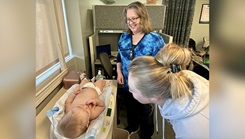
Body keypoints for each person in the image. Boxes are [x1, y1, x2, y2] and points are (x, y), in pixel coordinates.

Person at [128, 43, 209, 139]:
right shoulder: (179, 74)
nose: (129, 90)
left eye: (132, 90)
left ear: (154, 96)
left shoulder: (190, 131)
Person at [116, 1, 165, 139]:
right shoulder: (124, 38)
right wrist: (119, 72)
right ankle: (132, 126)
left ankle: (146, 135)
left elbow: (162, 65)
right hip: (127, 84)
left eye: (134, 18)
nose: (131, 23)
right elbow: (119, 57)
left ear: (142, 17)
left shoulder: (155, 39)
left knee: (146, 114)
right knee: (131, 109)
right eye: (128, 19)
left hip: (146, 87)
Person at [58, 73, 106, 138]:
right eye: (86, 110)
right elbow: (102, 106)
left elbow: (68, 102)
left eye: (79, 107)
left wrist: (74, 93)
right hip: (96, 89)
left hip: (83, 88)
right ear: (87, 124)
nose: (84, 106)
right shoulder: (92, 114)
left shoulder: (69, 110)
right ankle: (100, 79)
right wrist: (96, 101)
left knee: (84, 82)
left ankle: (84, 79)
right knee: (100, 82)